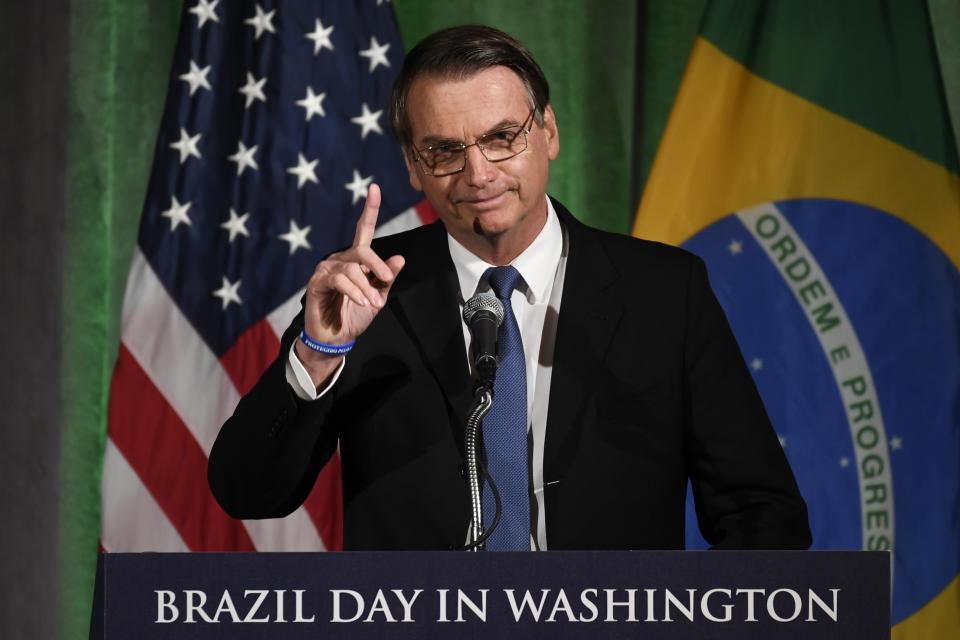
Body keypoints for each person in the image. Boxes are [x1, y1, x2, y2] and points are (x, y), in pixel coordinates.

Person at [208, 25, 811, 551]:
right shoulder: (365, 291)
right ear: (414, 166)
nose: (478, 173)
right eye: (444, 150)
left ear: (547, 131)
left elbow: (763, 514)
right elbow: (247, 492)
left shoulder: (665, 292)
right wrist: (319, 353)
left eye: (502, 137)